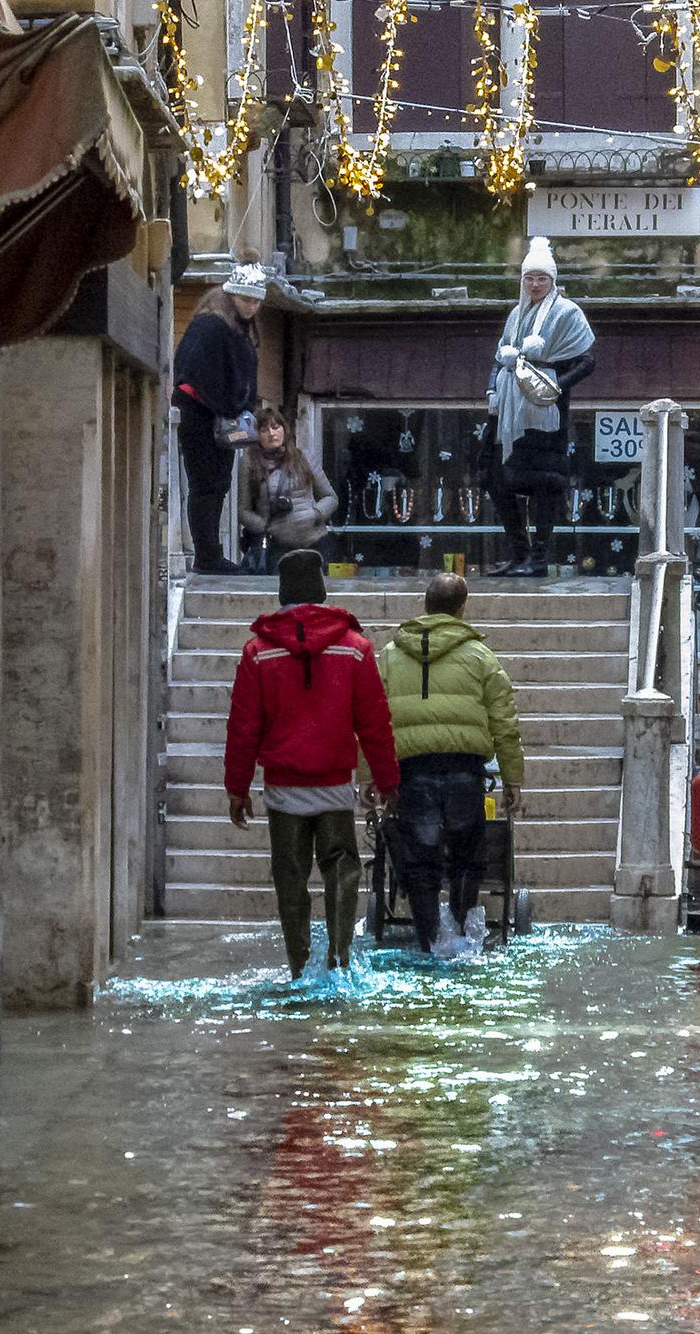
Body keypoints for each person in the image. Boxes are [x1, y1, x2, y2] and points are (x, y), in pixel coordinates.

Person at [225, 549, 401, 978]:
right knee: (341, 869)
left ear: (282, 591)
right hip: (334, 786)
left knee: (290, 877)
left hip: (284, 790)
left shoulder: (258, 653)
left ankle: (299, 966)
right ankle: (339, 960)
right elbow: (374, 721)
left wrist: (237, 786)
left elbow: (244, 725)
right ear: (321, 589)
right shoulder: (355, 649)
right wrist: (386, 778)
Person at [376, 573, 526, 952]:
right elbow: (505, 723)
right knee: (466, 854)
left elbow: (372, 720)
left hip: (412, 771)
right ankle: (460, 934)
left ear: (425, 607)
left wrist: (371, 776)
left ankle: (429, 940)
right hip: (464, 770)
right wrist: (512, 778)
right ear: (462, 609)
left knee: (419, 860)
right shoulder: (480, 657)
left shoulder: (391, 655)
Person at [482, 236, 596, 577]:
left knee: (545, 484)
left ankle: (539, 558)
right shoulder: (516, 315)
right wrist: (491, 390)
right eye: (530, 278)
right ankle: (520, 553)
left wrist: (555, 386)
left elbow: (587, 361)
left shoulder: (567, 312)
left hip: (545, 416)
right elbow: (499, 356)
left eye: (541, 278)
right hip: (506, 413)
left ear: (553, 280)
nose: (535, 284)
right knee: (495, 478)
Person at [174, 264, 266, 574]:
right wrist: (224, 407)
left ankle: (210, 554)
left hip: (220, 415)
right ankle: (207, 556)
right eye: (246, 299)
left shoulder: (236, 328)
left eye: (256, 301)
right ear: (232, 296)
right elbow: (190, 373)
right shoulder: (212, 326)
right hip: (202, 414)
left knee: (218, 485)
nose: (251, 306)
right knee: (206, 485)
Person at [239, 406, 338, 572]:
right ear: (257, 435)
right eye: (264, 430)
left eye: (276, 427)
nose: (271, 434)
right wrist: (265, 526)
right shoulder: (249, 463)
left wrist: (315, 514)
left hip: (315, 543)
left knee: (316, 596)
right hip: (276, 548)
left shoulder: (303, 457)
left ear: (284, 429)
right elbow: (243, 511)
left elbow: (330, 497)